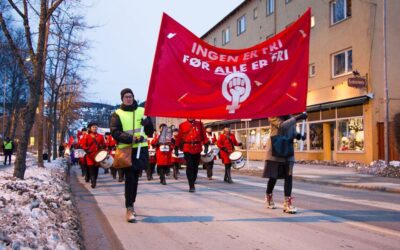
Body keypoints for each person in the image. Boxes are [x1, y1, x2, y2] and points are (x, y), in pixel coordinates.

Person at [110, 88, 154, 223]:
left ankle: (131, 204)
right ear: (122, 99)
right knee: (130, 179)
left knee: (135, 179)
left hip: (141, 150)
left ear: (133, 97)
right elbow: (115, 132)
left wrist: (147, 125)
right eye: (126, 97)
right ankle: (129, 208)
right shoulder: (117, 114)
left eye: (130, 96)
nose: (128, 99)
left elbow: (150, 132)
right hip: (126, 150)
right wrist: (132, 139)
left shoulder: (142, 112)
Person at [263, 113, 307, 214]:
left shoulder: (290, 116)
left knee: (289, 176)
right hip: (276, 151)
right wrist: (298, 118)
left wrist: (299, 135)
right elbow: (282, 126)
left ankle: (287, 203)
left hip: (288, 151)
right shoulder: (272, 115)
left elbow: (291, 131)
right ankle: (269, 195)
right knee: (273, 177)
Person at [175, 118, 208, 193]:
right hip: (187, 147)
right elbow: (179, 137)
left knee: (195, 166)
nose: (190, 117)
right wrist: (176, 148)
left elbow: (204, 136)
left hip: (197, 147)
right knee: (190, 166)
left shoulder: (200, 124)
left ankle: (193, 179)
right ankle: (191, 185)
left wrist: (206, 146)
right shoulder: (182, 125)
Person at [81, 122, 105, 188]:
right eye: (93, 127)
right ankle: (93, 181)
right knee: (91, 168)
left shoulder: (101, 136)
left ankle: (95, 180)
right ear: (90, 128)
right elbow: (83, 145)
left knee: (96, 169)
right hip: (90, 155)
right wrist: (87, 150)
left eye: (96, 127)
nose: (95, 128)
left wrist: (103, 150)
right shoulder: (86, 136)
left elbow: (104, 145)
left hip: (98, 155)